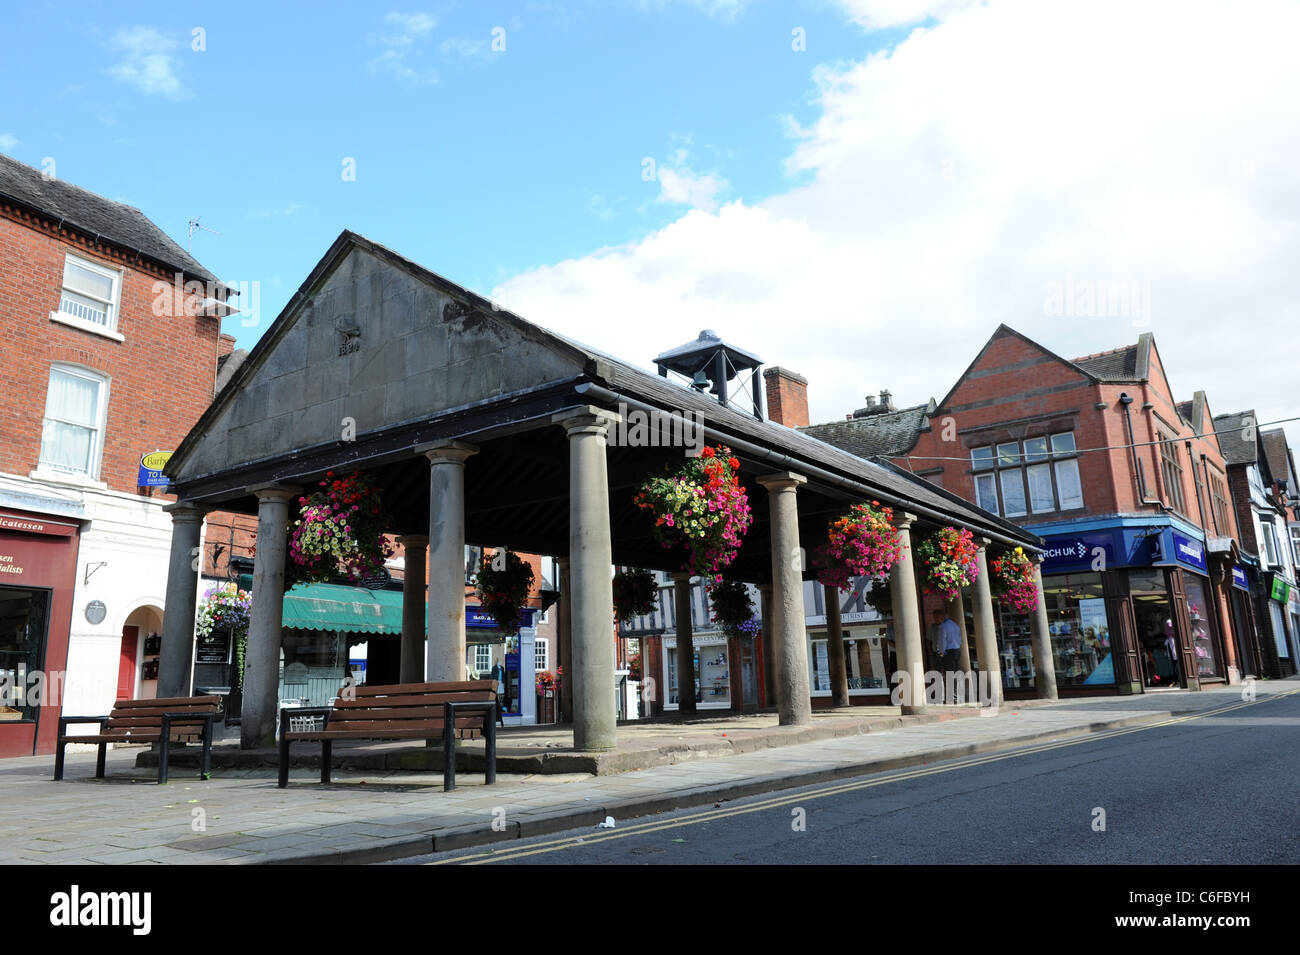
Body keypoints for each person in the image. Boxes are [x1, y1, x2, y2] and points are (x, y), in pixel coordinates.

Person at [931, 608, 963, 702]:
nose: (935, 619)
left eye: (936, 617)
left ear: (941, 616)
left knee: (949, 675)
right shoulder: (955, 625)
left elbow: (942, 642)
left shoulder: (943, 626)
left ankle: (952, 697)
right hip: (957, 650)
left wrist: (941, 653)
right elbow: (960, 639)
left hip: (948, 652)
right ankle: (957, 696)